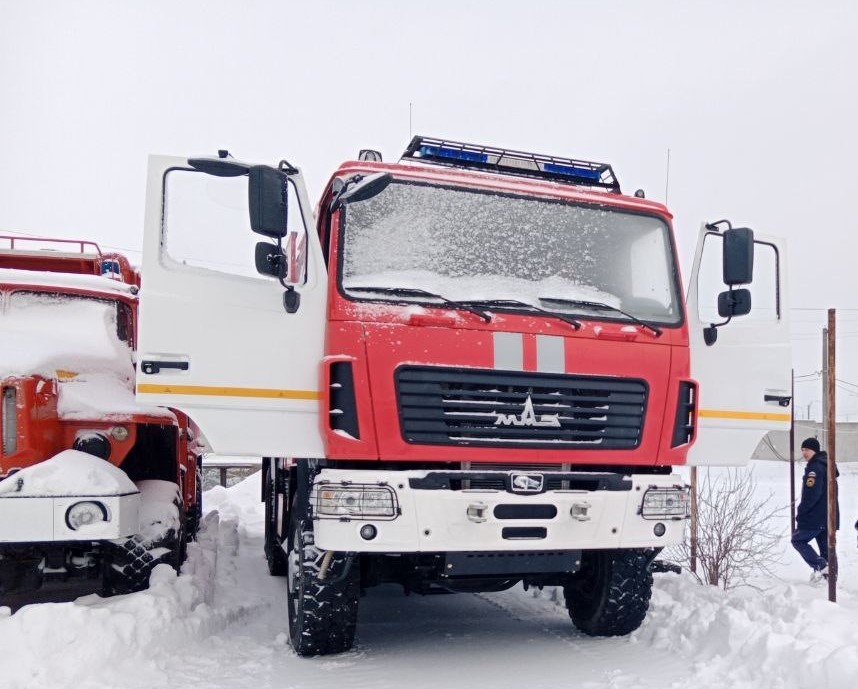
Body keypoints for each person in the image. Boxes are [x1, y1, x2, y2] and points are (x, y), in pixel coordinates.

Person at [791, 437, 839, 582]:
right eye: (802, 450)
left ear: (815, 450)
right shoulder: (826, 465)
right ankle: (830, 577)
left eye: (807, 449)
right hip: (828, 516)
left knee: (797, 540)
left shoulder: (815, 468)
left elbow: (812, 494)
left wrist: (801, 512)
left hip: (815, 516)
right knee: (826, 549)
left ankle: (821, 566)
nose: (804, 453)